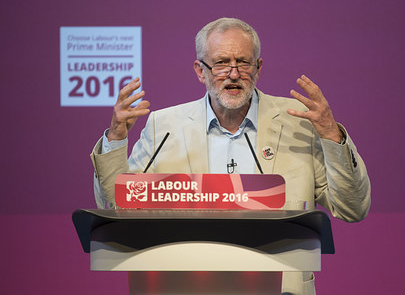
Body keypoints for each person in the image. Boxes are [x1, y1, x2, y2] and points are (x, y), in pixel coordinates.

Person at [91, 18, 371, 295]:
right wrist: (116, 138)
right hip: (188, 287)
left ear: (258, 68)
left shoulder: (298, 122)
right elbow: (117, 205)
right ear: (201, 70)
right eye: (222, 62)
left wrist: (332, 136)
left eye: (244, 62)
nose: (234, 73)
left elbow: (352, 208)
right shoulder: (164, 127)